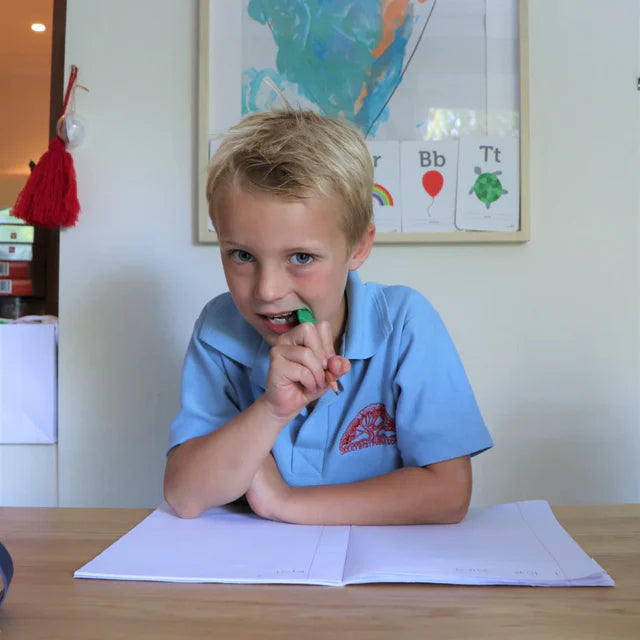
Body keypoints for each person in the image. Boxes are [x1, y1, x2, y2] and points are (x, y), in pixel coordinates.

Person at [164, 109, 492, 525]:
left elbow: (449, 494)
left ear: (358, 247)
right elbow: (184, 495)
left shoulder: (406, 324)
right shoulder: (219, 330)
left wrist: (284, 502)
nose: (267, 291)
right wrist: (271, 410)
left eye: (301, 257)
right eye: (242, 255)